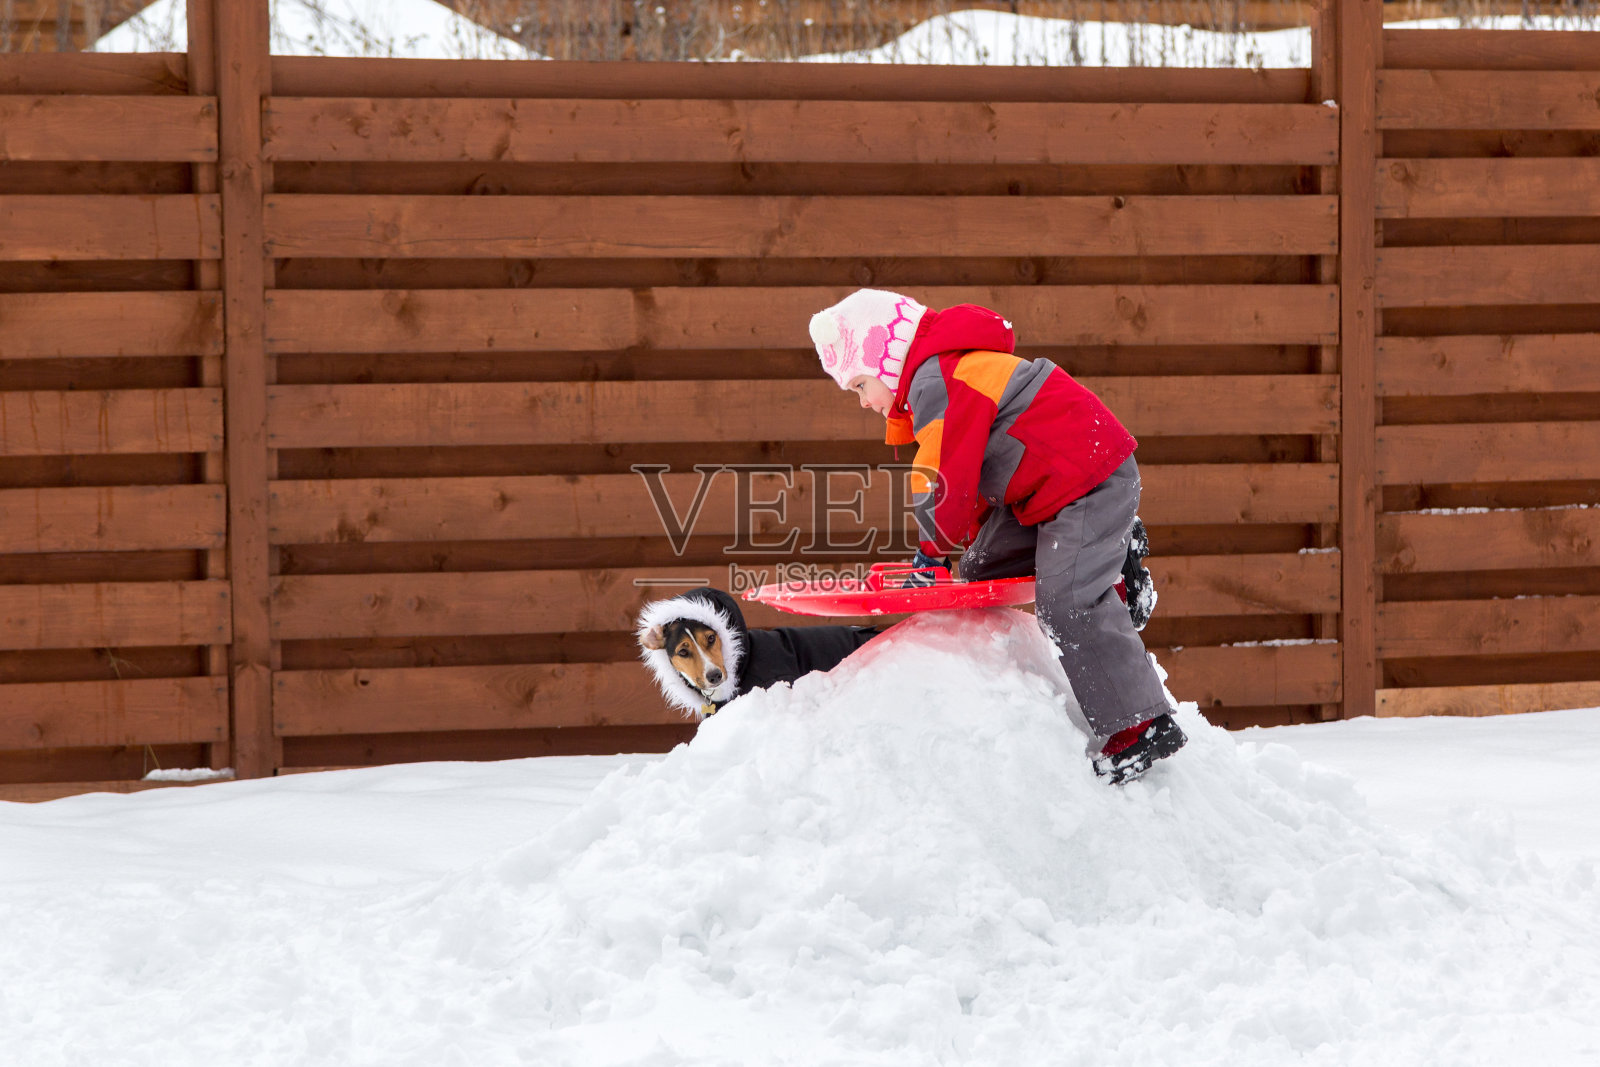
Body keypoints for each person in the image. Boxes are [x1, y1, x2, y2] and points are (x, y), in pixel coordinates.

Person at [809, 288, 1185, 784]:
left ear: (886, 359)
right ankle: (1103, 556)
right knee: (981, 570)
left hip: (1088, 480)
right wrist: (947, 550)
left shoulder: (937, 381)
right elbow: (975, 475)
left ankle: (1141, 724)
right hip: (1045, 493)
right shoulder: (941, 373)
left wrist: (929, 554)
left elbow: (946, 474)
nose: (862, 402)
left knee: (1067, 601)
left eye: (859, 385)